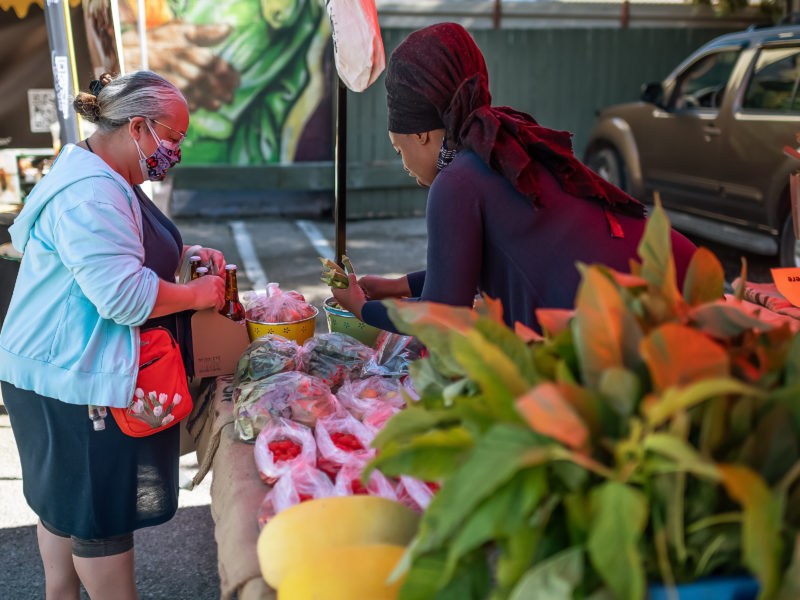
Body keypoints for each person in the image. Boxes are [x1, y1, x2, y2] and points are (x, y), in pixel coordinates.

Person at [0, 71, 226, 600]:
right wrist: (197, 296)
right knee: (97, 520)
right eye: (174, 138)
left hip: (48, 373)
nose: (177, 150)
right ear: (139, 127)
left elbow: (118, 257)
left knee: (63, 507)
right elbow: (122, 297)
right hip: (74, 385)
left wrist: (184, 257)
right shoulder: (93, 194)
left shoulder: (97, 170)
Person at [331, 23, 697, 333]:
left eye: (398, 149)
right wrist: (396, 286)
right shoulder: (502, 148)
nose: (405, 164)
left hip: (648, 313)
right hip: (677, 277)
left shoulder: (457, 182)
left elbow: (443, 317)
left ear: (421, 135)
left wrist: (361, 308)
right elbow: (463, 264)